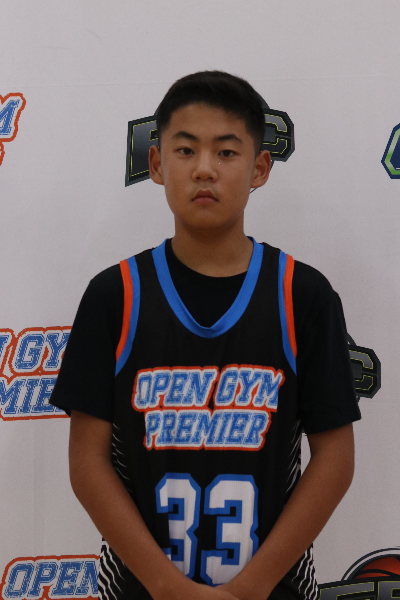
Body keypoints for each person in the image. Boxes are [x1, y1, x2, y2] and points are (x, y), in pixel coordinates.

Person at [50, 71, 361, 600]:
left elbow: (335, 459)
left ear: (260, 168)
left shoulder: (302, 296)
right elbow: (87, 462)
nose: (203, 169)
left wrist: (252, 588)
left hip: (273, 590)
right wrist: (167, 587)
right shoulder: (115, 296)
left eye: (226, 152)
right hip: (141, 589)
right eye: (186, 149)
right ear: (156, 164)